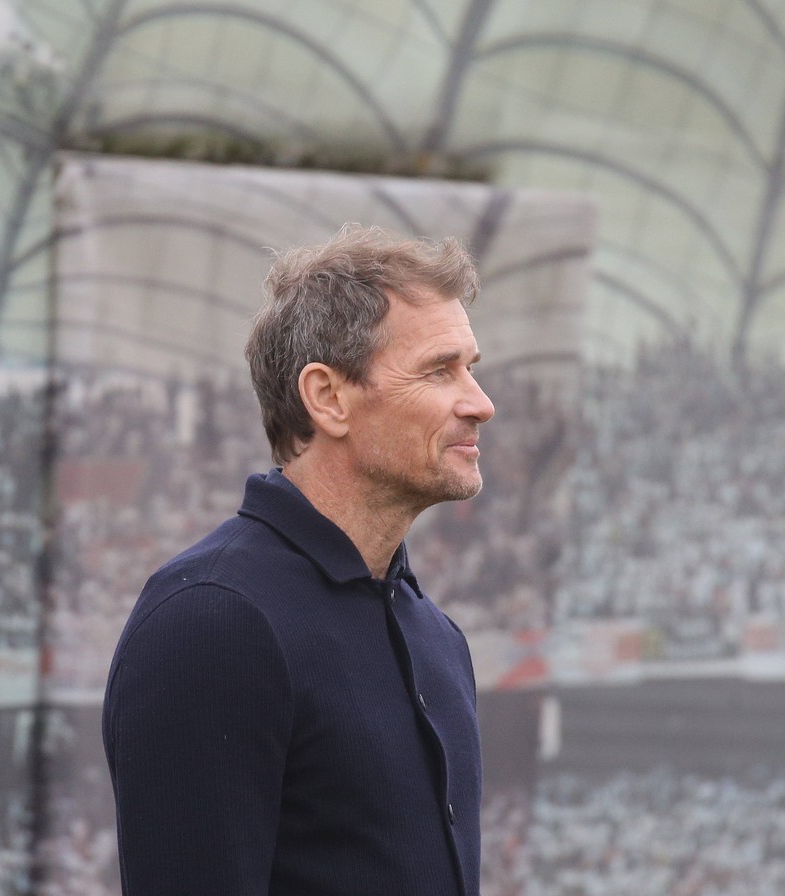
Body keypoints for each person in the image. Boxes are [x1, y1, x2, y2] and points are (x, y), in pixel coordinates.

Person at [102, 225, 497, 896]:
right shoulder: (212, 621)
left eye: (471, 368)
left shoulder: (436, 635)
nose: (480, 404)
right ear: (329, 397)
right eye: (439, 370)